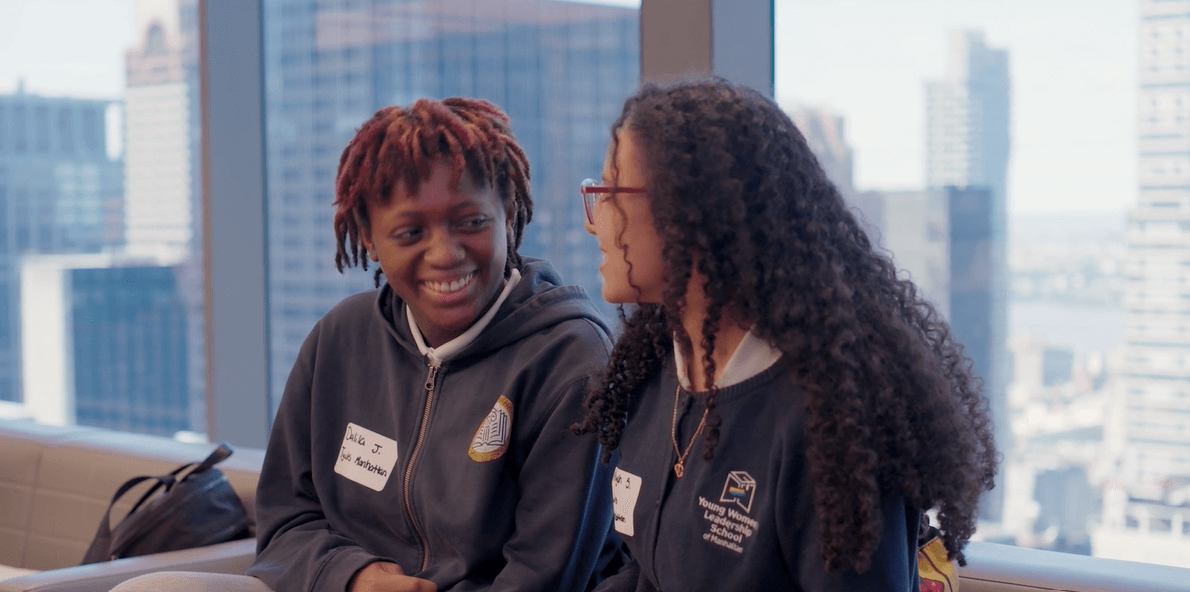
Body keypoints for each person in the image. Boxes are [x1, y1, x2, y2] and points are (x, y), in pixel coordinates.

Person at [114, 97, 618, 592]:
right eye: (410, 231)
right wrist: (351, 576)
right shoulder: (341, 338)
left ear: (507, 212)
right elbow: (286, 521)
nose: (445, 253)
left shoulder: (570, 360)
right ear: (368, 236)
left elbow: (546, 575)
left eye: (471, 222)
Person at [572, 78, 998, 591]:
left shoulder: (831, 424)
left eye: (611, 194)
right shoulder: (654, 371)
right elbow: (643, 571)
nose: (594, 224)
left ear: (690, 215)